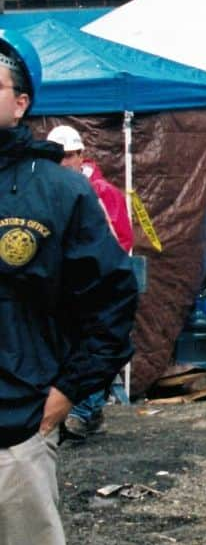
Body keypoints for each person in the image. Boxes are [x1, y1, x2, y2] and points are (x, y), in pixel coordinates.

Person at [0, 30, 138, 545]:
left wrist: (66, 394)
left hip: (15, 432)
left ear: (21, 103)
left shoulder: (58, 193)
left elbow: (112, 299)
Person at [47, 124, 135, 440]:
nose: (64, 162)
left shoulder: (102, 193)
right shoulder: (45, 190)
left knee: (96, 344)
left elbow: (121, 239)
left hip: (95, 285)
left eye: (69, 155)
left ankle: (85, 412)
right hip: (62, 288)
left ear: (81, 154)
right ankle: (83, 412)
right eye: (59, 156)